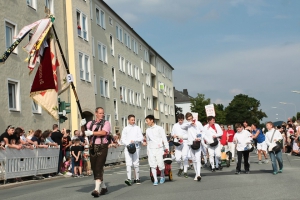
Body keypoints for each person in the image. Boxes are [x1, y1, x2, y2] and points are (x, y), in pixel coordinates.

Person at [81, 107, 111, 197]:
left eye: (103, 113)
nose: (102, 115)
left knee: (98, 167)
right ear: (96, 114)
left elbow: (104, 133)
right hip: (92, 147)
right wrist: (82, 126)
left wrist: (92, 133)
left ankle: (96, 189)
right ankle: (104, 187)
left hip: (102, 147)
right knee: (94, 168)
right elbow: (84, 133)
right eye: (100, 113)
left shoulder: (106, 123)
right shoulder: (90, 123)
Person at [145, 115, 169, 186]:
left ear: (152, 120)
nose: (146, 122)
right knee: (152, 165)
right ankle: (155, 179)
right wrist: (148, 150)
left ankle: (162, 175)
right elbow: (148, 141)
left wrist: (166, 148)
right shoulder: (147, 130)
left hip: (159, 149)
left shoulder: (159, 128)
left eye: (147, 121)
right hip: (151, 149)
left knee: (160, 164)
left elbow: (164, 138)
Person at [121, 114, 144, 186]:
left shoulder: (137, 128)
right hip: (128, 148)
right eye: (132, 120)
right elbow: (123, 139)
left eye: (134, 120)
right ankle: (129, 179)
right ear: (128, 120)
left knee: (136, 163)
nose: (133, 121)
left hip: (136, 147)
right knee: (128, 163)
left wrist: (134, 140)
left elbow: (141, 137)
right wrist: (128, 144)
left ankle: (137, 178)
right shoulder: (125, 129)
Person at [185, 112, 205, 181]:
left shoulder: (198, 123)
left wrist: (199, 137)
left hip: (197, 143)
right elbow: (182, 127)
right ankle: (196, 174)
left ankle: (199, 174)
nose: (190, 120)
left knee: (198, 159)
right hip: (191, 144)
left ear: (192, 117)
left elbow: (202, 131)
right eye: (188, 119)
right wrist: (189, 123)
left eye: (191, 118)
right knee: (193, 160)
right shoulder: (188, 124)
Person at [171, 113, 189, 178]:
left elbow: (188, 135)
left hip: (184, 143)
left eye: (181, 120)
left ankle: (185, 172)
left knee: (184, 157)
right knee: (177, 158)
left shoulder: (186, 125)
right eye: (179, 120)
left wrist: (182, 137)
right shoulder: (175, 125)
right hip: (177, 143)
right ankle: (181, 168)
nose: (180, 121)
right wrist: (174, 135)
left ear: (183, 119)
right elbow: (172, 133)